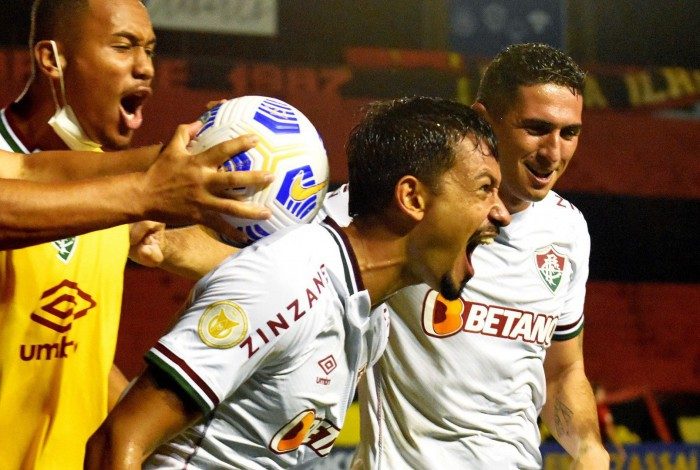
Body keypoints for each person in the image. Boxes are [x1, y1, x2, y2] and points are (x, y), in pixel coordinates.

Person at [84, 96, 511, 469]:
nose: (502, 213)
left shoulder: (369, 316)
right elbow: (118, 440)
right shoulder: (286, 277)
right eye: (484, 189)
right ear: (412, 198)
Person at [317, 43, 609, 468]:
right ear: (484, 120)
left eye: (569, 133)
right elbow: (275, 251)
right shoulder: (411, 205)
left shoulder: (568, 230)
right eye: (536, 128)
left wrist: (588, 447)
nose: (553, 152)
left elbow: (562, 371)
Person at [0, 0, 264, 468]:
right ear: (51, 59)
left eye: (150, 50)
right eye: (123, 47)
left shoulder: (112, 195)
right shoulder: (114, 195)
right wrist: (150, 185)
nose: (145, 67)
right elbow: (25, 175)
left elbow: (80, 359)